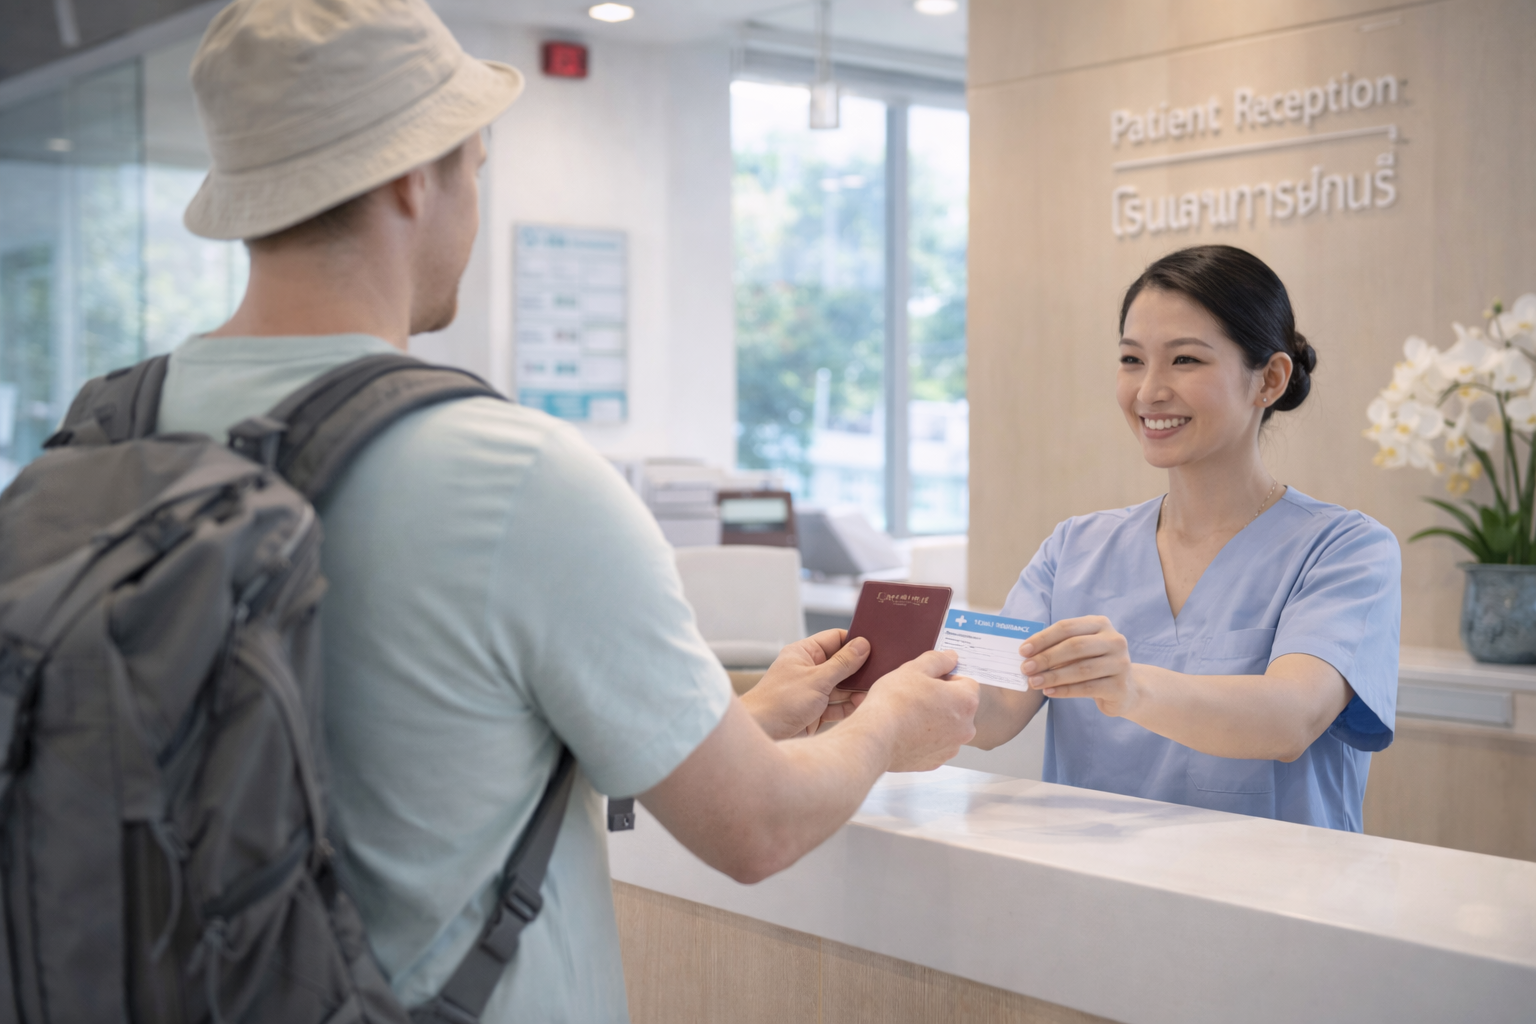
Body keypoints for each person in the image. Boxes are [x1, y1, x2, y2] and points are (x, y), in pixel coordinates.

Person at [165, 1, 980, 1021]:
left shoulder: (113, 435)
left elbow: (410, 753)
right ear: (417, 175)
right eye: (477, 163)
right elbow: (755, 830)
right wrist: (889, 727)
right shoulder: (512, 473)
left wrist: (739, 720)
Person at [970, 244, 1399, 831]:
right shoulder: (1074, 548)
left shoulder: (1345, 550)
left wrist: (1129, 687)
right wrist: (887, 691)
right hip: (1092, 896)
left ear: (1269, 379)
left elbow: (1290, 718)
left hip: (1275, 903)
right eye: (1130, 360)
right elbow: (994, 710)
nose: (1148, 391)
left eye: (1185, 361)